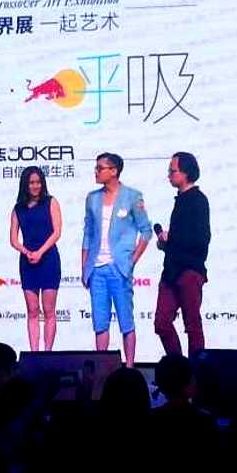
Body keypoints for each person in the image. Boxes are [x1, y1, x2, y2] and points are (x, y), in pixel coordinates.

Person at [81, 152, 152, 367]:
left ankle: (129, 367)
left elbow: (146, 231)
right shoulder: (92, 198)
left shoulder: (132, 196)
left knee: (126, 321)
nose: (96, 172)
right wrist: (84, 266)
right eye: (96, 168)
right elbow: (88, 233)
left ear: (114, 171)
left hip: (119, 268)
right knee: (100, 323)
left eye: (100, 168)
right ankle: (101, 369)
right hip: (96, 269)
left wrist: (132, 260)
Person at [154, 151, 211, 357]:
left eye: (173, 171)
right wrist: (165, 243)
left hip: (189, 271)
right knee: (161, 322)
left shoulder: (198, 200)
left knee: (192, 325)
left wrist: (172, 238)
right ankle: (178, 366)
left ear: (186, 172)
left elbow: (201, 240)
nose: (169, 175)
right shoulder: (180, 200)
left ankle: (195, 370)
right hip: (171, 271)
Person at [9, 166, 62, 351]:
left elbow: (57, 232)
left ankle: (47, 354)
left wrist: (40, 252)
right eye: (31, 182)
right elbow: (13, 239)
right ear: (25, 184)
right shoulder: (18, 208)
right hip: (28, 261)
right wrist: (27, 252)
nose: (35, 186)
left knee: (49, 310)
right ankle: (34, 354)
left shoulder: (51, 202)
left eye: (38, 182)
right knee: (32, 310)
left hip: (48, 260)